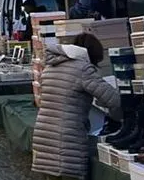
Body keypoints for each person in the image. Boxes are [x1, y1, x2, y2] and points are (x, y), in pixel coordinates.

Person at [32, 33, 121, 179]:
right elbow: (113, 100)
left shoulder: (51, 67)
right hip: (67, 139)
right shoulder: (83, 69)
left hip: (44, 135)